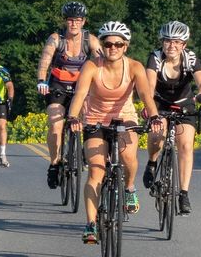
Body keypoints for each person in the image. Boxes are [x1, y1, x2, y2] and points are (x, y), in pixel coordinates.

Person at [65, 21, 163, 245]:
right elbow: (80, 94)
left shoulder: (135, 67)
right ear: (102, 45)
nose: (113, 48)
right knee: (96, 173)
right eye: (108, 44)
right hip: (94, 120)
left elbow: (146, 95)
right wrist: (73, 117)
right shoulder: (91, 66)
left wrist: (155, 115)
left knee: (129, 157)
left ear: (125, 46)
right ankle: (91, 225)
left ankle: (129, 187)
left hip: (125, 117)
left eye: (118, 44)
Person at [142, 21, 201, 214]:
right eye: (168, 41)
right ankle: (152, 162)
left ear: (184, 45)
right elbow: (149, 85)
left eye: (177, 42)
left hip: (185, 104)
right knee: (156, 136)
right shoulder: (155, 58)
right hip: (160, 103)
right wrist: (151, 110)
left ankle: (184, 193)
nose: (171, 46)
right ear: (162, 42)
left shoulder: (190, 59)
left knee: (186, 146)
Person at [36, 1, 102, 189]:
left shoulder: (91, 40)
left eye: (78, 20)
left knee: (89, 118)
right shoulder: (57, 38)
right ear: (66, 21)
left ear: (83, 21)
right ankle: (54, 164)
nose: (74, 24)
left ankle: (83, 150)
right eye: (70, 20)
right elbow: (45, 60)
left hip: (81, 87)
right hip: (58, 85)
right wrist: (42, 80)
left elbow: (102, 62)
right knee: (56, 125)